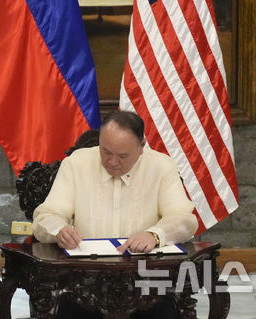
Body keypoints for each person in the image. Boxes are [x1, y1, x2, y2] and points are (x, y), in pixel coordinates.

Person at [32, 110, 198, 319]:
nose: (112, 162)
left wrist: (154, 235)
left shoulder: (161, 166)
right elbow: (45, 216)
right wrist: (59, 231)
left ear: (141, 147)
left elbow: (185, 219)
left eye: (122, 156)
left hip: (146, 283)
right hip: (84, 284)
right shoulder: (77, 164)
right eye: (106, 152)